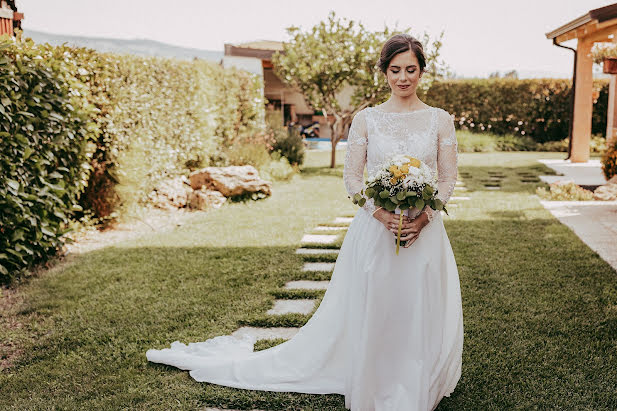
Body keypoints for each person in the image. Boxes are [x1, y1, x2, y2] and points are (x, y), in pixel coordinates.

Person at [146, 33, 463, 411]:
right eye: (395, 70)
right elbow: (352, 180)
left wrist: (425, 217)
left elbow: (446, 179)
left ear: (423, 71)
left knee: (417, 307)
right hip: (376, 233)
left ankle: (417, 379)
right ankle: (375, 377)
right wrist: (379, 214)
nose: (403, 78)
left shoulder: (439, 120)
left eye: (411, 69)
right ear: (384, 72)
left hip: (423, 234)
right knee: (377, 308)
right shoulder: (366, 120)